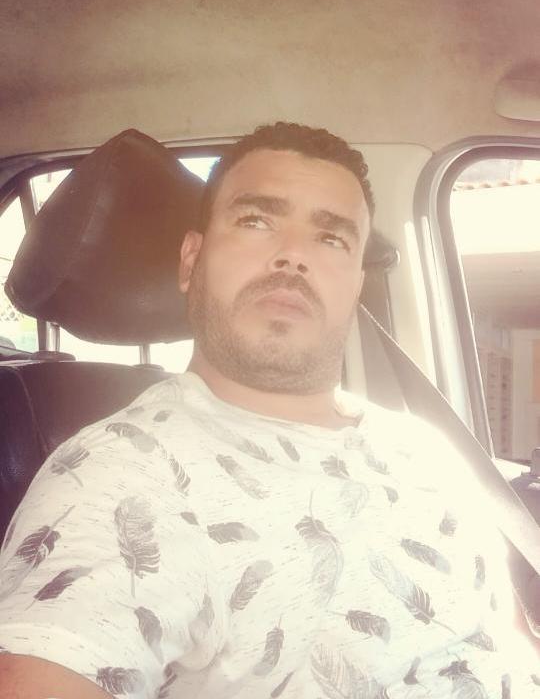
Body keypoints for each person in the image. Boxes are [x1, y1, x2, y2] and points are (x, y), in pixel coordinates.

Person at [0, 122, 537, 698]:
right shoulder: (118, 476)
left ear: (356, 284)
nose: (294, 256)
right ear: (191, 260)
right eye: (256, 221)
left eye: (331, 239)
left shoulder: (422, 445)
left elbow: (512, 641)